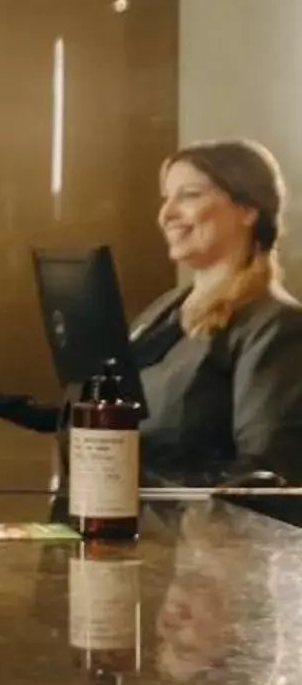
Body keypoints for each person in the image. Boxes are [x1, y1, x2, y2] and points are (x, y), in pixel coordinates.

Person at [134, 142, 302, 484]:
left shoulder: (276, 326)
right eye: (166, 197)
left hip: (201, 532)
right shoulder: (166, 309)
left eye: (189, 195)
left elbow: (265, 474)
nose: (166, 214)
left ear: (248, 209)